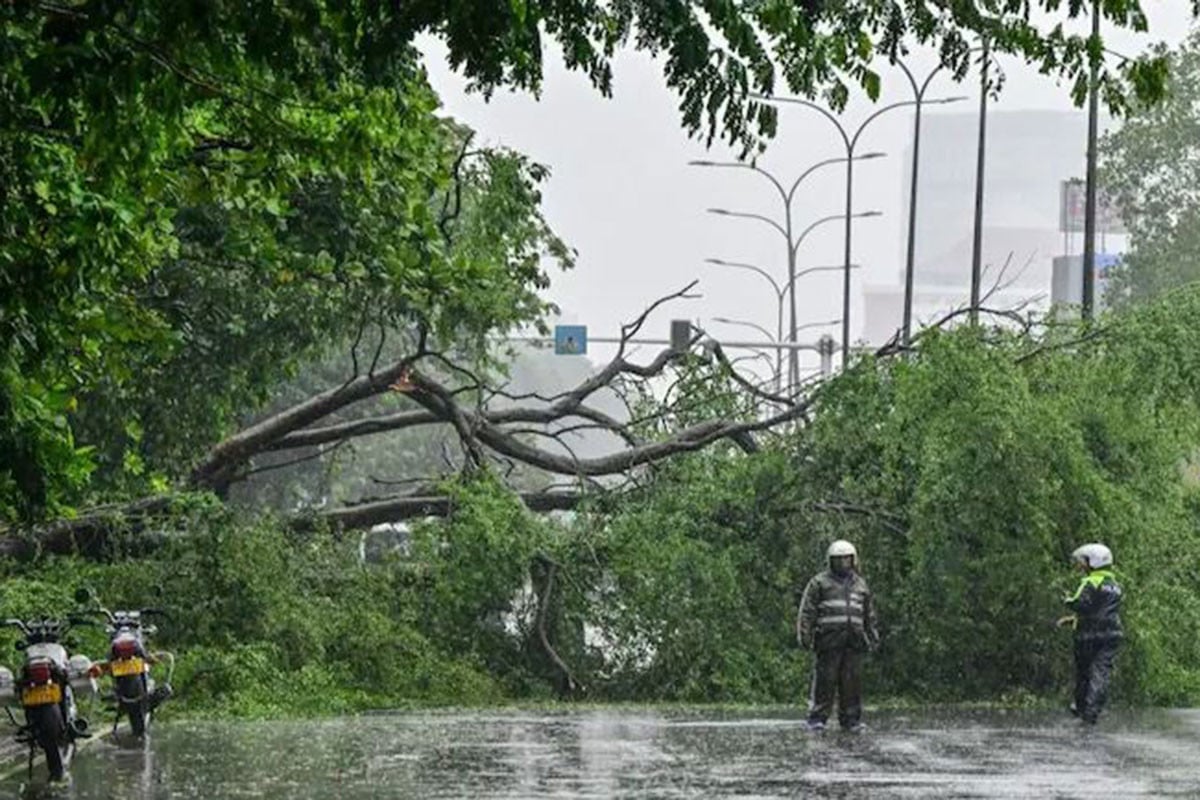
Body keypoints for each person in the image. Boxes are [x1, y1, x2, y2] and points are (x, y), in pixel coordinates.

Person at [797, 539, 880, 732]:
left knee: (851, 683)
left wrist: (872, 637)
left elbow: (869, 614)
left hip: (854, 641)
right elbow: (807, 612)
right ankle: (817, 718)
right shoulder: (819, 582)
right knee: (825, 681)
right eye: (839, 559)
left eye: (847, 559)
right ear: (830, 561)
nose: (843, 562)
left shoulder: (860, 585)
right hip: (828, 640)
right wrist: (805, 636)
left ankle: (851, 720)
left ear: (853, 560)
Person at [1059, 542, 1122, 725]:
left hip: (1088, 636)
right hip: (1112, 634)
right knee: (1101, 673)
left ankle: (1082, 710)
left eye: (1084, 561)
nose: (1081, 564)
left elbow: (1082, 605)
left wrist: (1066, 600)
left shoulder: (1090, 582)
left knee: (1085, 673)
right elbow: (1102, 611)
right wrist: (1072, 620)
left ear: (1093, 562)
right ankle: (1092, 711)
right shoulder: (1116, 586)